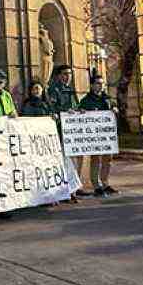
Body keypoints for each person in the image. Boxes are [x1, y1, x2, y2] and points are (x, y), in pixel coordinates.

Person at [76, 74, 118, 197]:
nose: (101, 86)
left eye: (102, 83)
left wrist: (115, 108)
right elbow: (80, 113)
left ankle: (105, 182)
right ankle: (96, 184)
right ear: (92, 85)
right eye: (98, 83)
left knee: (108, 158)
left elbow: (114, 107)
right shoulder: (86, 100)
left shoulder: (107, 99)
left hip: (106, 134)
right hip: (94, 135)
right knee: (96, 158)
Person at [46, 64, 82, 202]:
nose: (68, 77)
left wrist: (80, 111)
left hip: (72, 133)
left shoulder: (70, 90)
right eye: (65, 74)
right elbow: (53, 108)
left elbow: (76, 106)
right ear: (59, 76)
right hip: (61, 132)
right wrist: (65, 113)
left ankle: (71, 189)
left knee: (71, 161)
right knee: (63, 162)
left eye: (70, 74)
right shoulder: (54, 90)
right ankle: (67, 190)